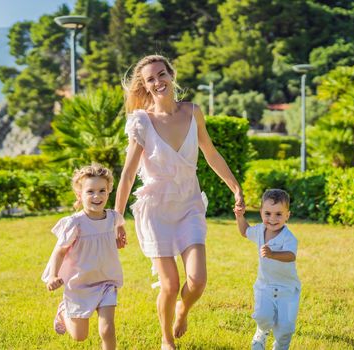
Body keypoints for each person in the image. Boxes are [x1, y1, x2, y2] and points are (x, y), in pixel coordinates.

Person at [115, 54, 245, 350]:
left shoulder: (193, 112)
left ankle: (183, 310)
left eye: (162, 74)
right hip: (156, 210)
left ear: (171, 75)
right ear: (145, 86)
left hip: (188, 204)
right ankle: (166, 339)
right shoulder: (141, 122)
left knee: (197, 280)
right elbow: (127, 174)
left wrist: (235, 187)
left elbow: (210, 153)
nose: (158, 82)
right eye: (150, 79)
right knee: (170, 284)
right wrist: (117, 218)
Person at [42, 164, 126, 350]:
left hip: (107, 281)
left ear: (108, 191)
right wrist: (52, 276)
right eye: (90, 192)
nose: (97, 196)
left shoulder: (113, 218)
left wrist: (120, 235)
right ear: (80, 195)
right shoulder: (75, 224)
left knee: (107, 329)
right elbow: (59, 251)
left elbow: (120, 224)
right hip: (80, 284)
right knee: (80, 336)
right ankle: (64, 312)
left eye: (102, 190)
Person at [234, 189, 300, 350]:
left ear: (287, 215)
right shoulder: (259, 231)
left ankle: (281, 346)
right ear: (261, 212)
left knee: (286, 326)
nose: (272, 219)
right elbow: (244, 231)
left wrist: (273, 254)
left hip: (288, 289)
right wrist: (240, 216)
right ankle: (261, 333)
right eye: (268, 213)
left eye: (279, 214)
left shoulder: (288, 237)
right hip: (265, 286)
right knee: (263, 316)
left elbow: (291, 256)